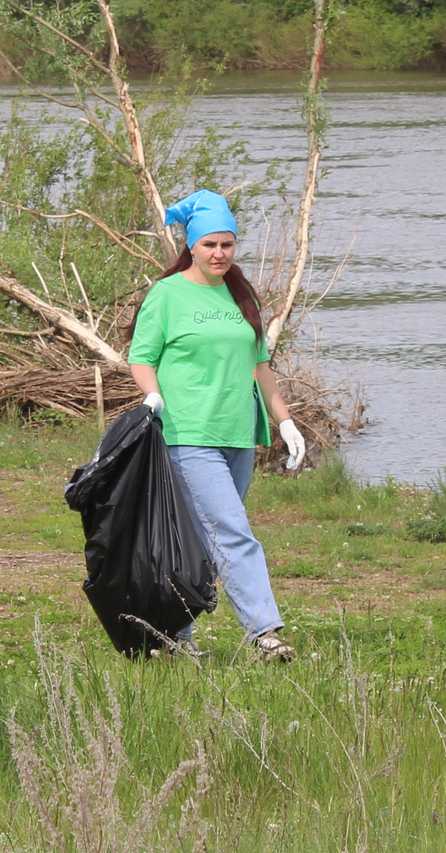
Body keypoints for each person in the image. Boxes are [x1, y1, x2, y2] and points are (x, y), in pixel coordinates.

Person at [127, 189, 307, 663]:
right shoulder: (167, 295)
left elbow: (259, 366)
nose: (219, 253)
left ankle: (172, 637)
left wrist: (285, 421)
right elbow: (141, 356)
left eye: (227, 244)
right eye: (210, 245)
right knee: (232, 531)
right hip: (187, 433)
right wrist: (152, 394)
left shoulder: (241, 294)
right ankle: (264, 633)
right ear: (192, 247)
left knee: (201, 540)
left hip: (237, 435)